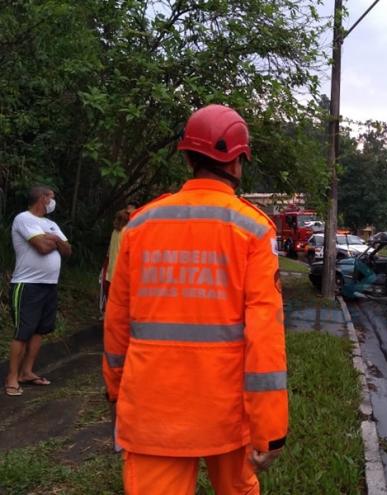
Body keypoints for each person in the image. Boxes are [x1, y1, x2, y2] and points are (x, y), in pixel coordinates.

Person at [103, 104, 288, 495]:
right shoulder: (253, 229)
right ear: (238, 161)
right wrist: (269, 430)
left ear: (187, 156)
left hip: (152, 410)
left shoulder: (140, 225)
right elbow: (264, 337)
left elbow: (116, 320)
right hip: (225, 412)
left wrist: (116, 390)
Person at [4, 186, 72, 396]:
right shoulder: (23, 219)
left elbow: (68, 251)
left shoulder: (51, 224)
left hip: (49, 285)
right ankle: (12, 378)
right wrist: (54, 241)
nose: (53, 201)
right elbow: (41, 247)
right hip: (27, 284)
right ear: (42, 199)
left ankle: (27, 372)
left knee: (40, 331)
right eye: (51, 197)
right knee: (23, 332)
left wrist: (53, 239)